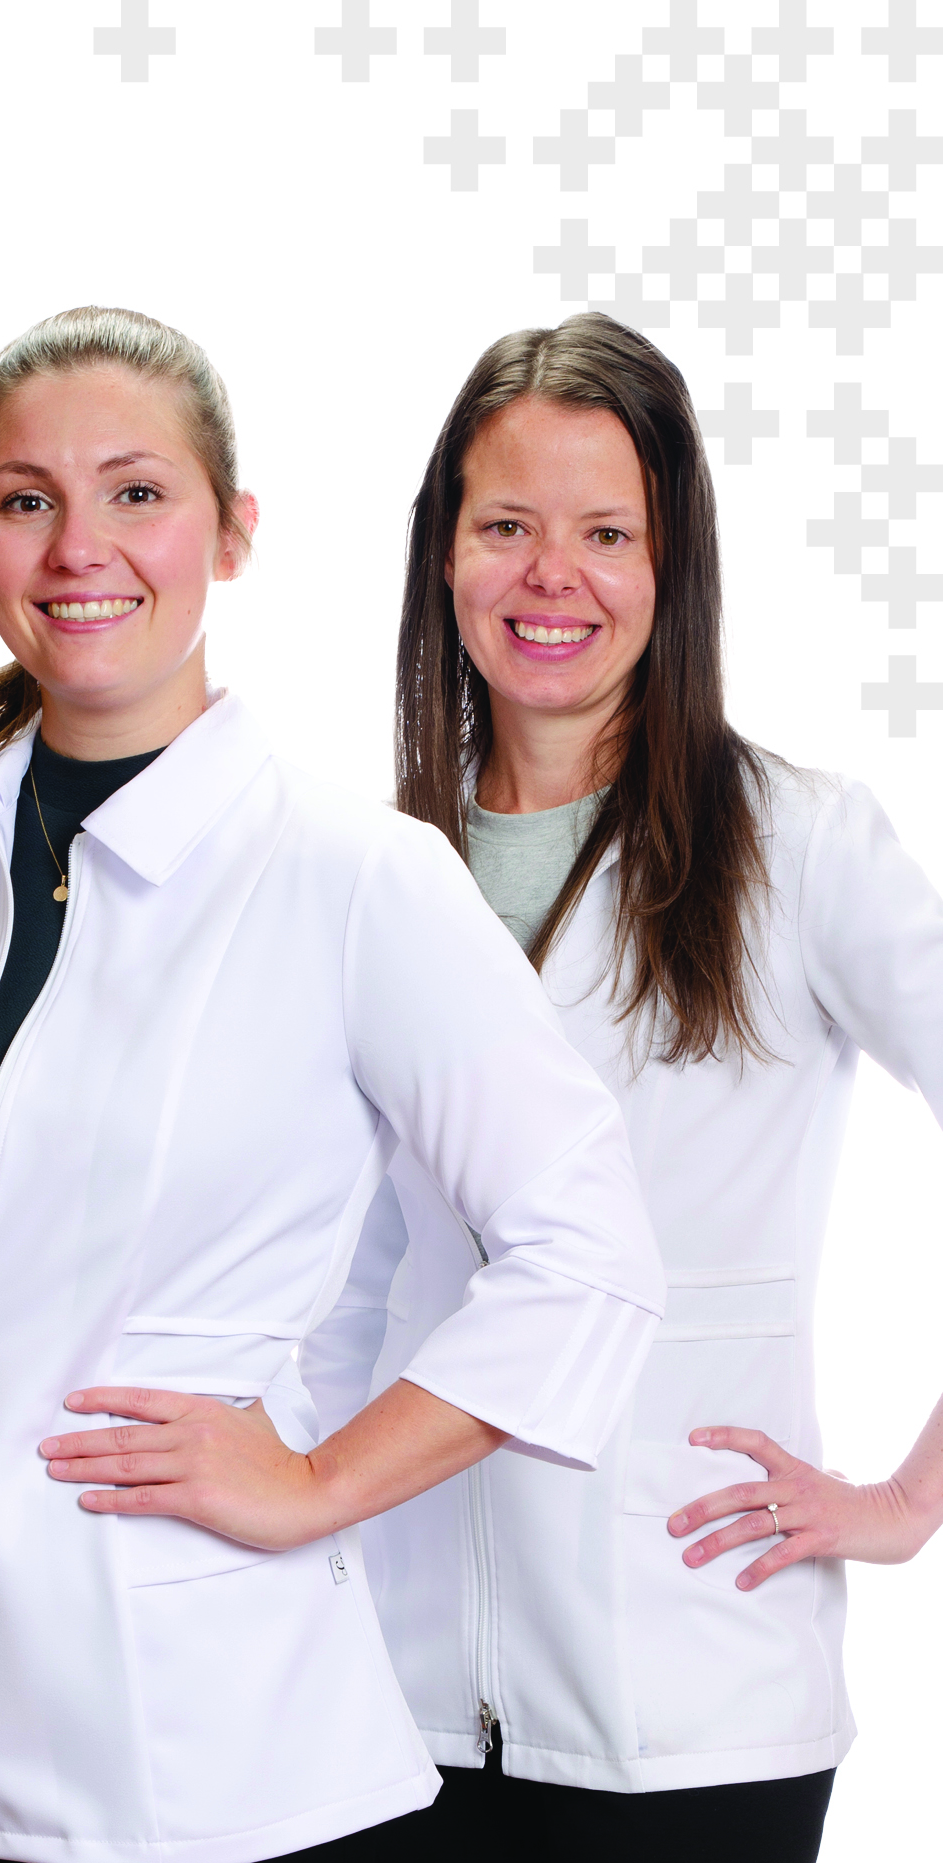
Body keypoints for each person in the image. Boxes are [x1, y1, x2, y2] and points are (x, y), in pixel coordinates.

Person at [0, 306, 664, 1863]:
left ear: (231, 533)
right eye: (27, 499)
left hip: (195, 1769)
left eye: (136, 493)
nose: (79, 548)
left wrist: (316, 1481)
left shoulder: (350, 879)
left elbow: (587, 1253)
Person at [294, 311, 943, 1862]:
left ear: (671, 565)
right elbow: (329, 1279)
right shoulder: (368, 872)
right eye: (505, 526)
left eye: (605, 533)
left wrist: (908, 1499)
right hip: (394, 1695)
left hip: (693, 1696)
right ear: (443, 553)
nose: (551, 577)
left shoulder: (801, 846)